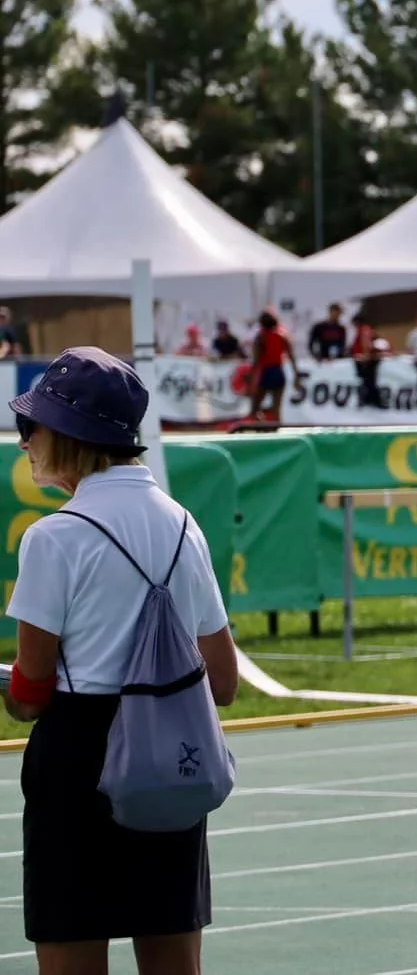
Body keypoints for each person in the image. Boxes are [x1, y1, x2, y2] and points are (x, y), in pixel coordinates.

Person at [6, 347, 239, 970]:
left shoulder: (54, 537)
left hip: (78, 763)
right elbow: (222, 682)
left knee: (72, 951)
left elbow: (30, 694)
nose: (25, 441)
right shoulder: (183, 524)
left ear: (69, 434)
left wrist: (15, 687)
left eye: (33, 426)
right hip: (170, 757)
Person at [248, 309, 301, 422]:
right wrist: (296, 375)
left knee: (255, 407)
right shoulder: (282, 336)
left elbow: (256, 360)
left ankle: (259, 425)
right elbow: (291, 357)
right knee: (276, 409)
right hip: (279, 372)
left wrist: (251, 377)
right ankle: (276, 427)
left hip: (267, 372)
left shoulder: (261, 337)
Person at [349, 312, 382, 410]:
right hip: (365, 359)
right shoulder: (364, 330)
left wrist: (366, 355)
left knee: (368, 381)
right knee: (367, 381)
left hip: (366, 360)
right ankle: (369, 399)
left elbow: (366, 344)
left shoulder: (364, 330)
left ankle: (371, 400)